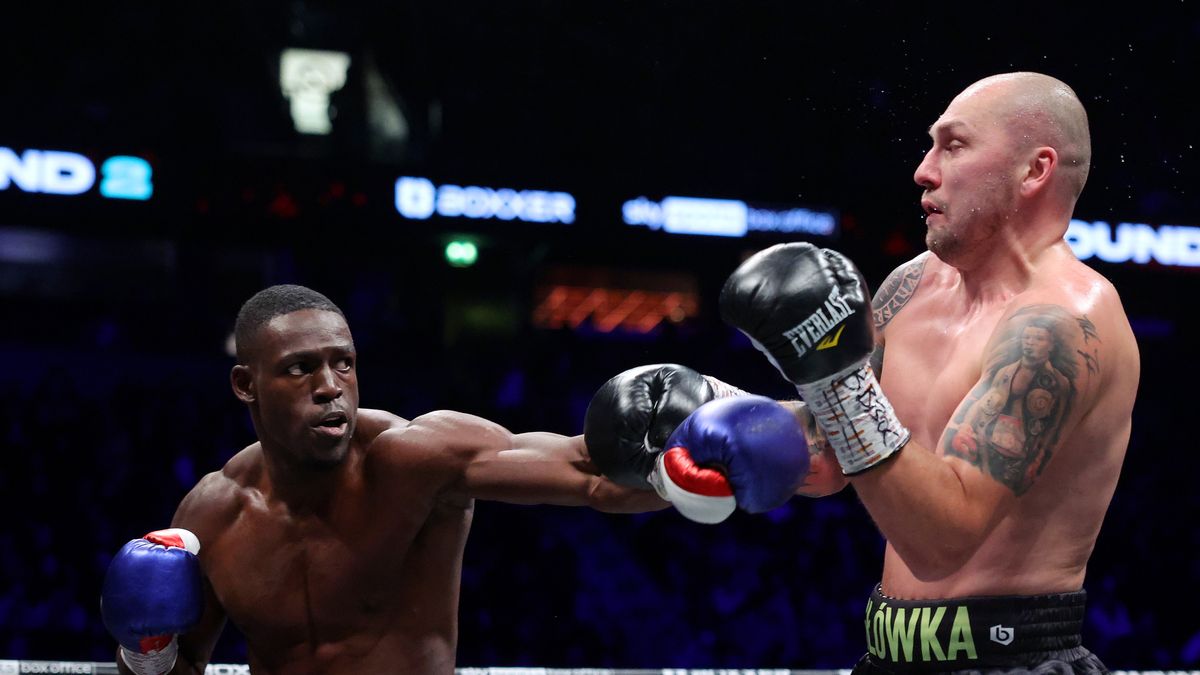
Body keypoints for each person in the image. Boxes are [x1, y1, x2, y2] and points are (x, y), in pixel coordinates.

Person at [99, 284, 809, 675]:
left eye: (343, 363)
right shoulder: (212, 515)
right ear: (244, 384)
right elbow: (178, 671)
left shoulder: (415, 458)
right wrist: (144, 651)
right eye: (300, 369)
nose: (331, 386)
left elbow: (589, 473)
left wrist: (696, 459)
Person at [717, 71, 1139, 673]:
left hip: (1013, 660)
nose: (924, 170)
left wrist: (832, 376)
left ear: (1034, 170)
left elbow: (943, 539)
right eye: (931, 145)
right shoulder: (912, 285)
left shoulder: (1063, 324)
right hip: (884, 654)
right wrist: (706, 407)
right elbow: (832, 453)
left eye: (954, 145)